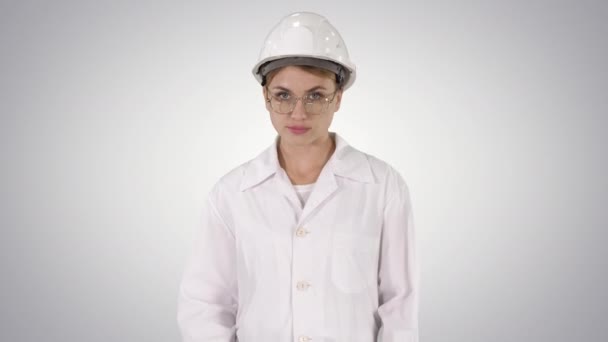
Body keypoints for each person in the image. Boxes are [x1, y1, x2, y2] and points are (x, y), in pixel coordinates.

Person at [177, 11, 419, 342]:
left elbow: (400, 306)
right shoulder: (231, 194)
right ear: (265, 97)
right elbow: (205, 306)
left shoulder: (383, 187)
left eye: (316, 96)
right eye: (283, 95)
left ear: (338, 97)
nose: (298, 112)